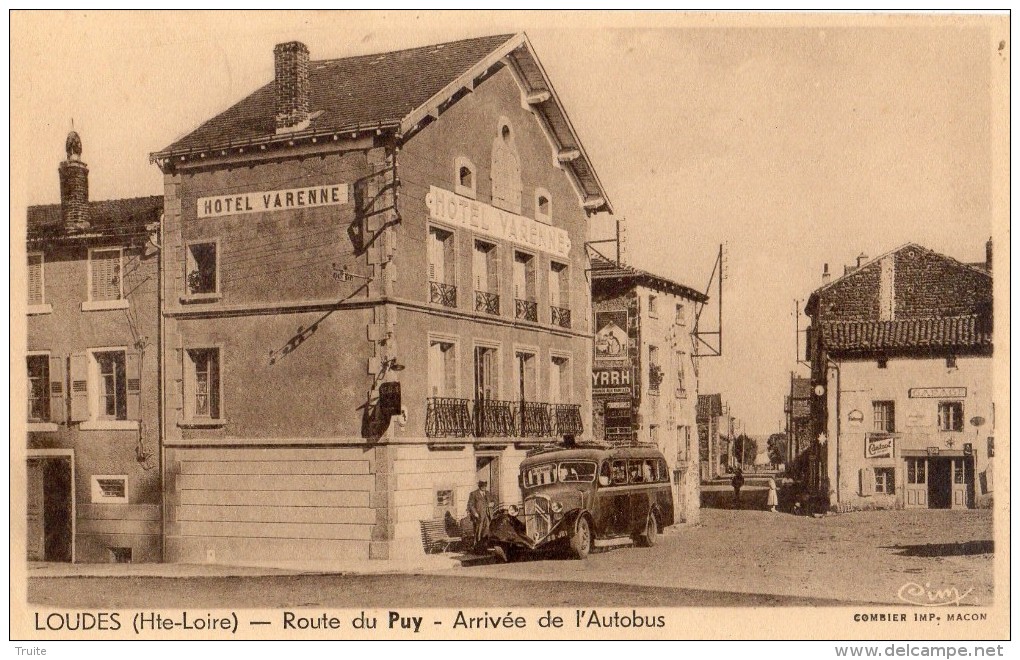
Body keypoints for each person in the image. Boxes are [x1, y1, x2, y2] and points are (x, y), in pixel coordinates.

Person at [467, 480, 494, 552]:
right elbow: (470, 505)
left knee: (486, 531)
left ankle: (484, 547)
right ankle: (477, 548)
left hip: (488, 516)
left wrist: (492, 504)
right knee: (478, 531)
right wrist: (475, 513)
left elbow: (493, 501)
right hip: (478, 516)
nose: (484, 487)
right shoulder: (474, 494)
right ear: (479, 486)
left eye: (485, 485)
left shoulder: (488, 493)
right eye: (482, 486)